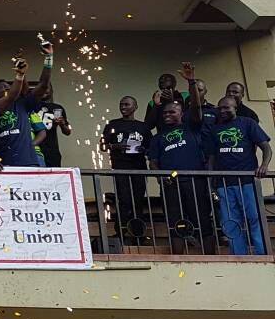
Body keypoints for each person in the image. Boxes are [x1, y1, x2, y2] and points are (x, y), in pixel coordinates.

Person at [146, 64, 214, 252]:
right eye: (165, 112)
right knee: (175, 222)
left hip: (195, 181)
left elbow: (196, 107)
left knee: (202, 220)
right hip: (171, 184)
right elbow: (152, 161)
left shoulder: (191, 127)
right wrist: (161, 176)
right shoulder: (158, 137)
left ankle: (210, 258)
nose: (168, 115)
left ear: (181, 114)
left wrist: (191, 81)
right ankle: (178, 260)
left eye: (172, 112)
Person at [204, 94, 272, 255]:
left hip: (247, 181)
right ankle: (238, 255)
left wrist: (264, 165)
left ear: (235, 108)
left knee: (254, 218)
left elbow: (266, 147)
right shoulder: (214, 130)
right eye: (219, 108)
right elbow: (211, 159)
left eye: (226, 107)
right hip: (224, 183)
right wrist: (211, 182)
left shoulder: (247, 123)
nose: (222, 111)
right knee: (230, 222)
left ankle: (262, 254)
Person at [0, 43, 53, 167]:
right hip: (3, 165)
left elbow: (44, 84)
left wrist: (49, 57)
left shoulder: (23, 104)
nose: (9, 88)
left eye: (10, 86)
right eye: (3, 88)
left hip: (29, 162)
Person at [101, 96, 153, 239]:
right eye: (121, 104)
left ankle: (138, 233)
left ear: (135, 107)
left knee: (137, 200)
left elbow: (151, 148)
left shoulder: (143, 127)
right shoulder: (113, 125)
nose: (123, 107)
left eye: (127, 104)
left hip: (139, 167)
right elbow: (102, 146)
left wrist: (144, 150)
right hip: (120, 167)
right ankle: (121, 232)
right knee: (123, 199)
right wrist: (116, 146)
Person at [35, 85, 72, 167]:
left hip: (52, 151)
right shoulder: (32, 106)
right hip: (35, 149)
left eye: (47, 87)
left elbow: (68, 131)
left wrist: (62, 124)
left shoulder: (57, 108)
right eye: (42, 87)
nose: (45, 90)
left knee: (53, 177)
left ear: (52, 90)